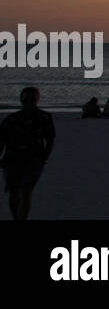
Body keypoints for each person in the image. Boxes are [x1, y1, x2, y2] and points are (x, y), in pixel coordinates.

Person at [0, 87, 56, 220]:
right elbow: (1, 140)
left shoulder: (44, 117)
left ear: (37, 100)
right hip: (12, 159)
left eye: (32, 99)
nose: (29, 102)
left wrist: (44, 157)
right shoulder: (11, 119)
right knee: (14, 192)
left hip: (34, 160)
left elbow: (50, 138)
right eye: (26, 99)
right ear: (21, 100)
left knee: (26, 191)